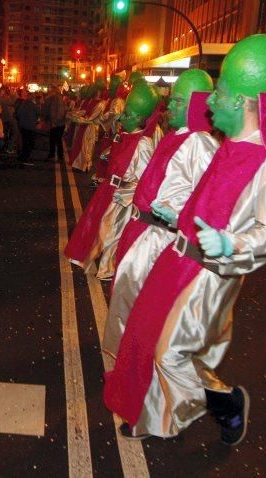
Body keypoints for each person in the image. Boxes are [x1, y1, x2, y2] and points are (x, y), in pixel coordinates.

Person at [104, 34, 266, 445]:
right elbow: (207, 198)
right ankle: (149, 417)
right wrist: (182, 216)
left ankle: (225, 404)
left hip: (210, 276)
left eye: (220, 94)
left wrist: (232, 245)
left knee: (170, 354)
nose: (209, 103)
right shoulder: (228, 146)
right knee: (149, 337)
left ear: (244, 101)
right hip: (177, 258)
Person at [104, 69, 217, 375]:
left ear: (197, 105)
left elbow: (203, 207)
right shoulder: (178, 137)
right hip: (144, 233)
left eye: (179, 102)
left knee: (139, 310)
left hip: (158, 241)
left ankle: (135, 372)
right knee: (127, 301)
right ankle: (127, 366)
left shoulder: (201, 147)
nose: (170, 108)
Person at [63, 81, 159, 280]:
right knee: (97, 227)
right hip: (111, 191)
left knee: (112, 232)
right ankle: (98, 262)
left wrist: (123, 194)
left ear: (140, 117)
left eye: (128, 114)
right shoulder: (125, 135)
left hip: (123, 199)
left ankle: (108, 268)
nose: (122, 118)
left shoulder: (143, 143)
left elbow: (144, 180)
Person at [15, 88, 40, 164]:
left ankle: (22, 157)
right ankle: (26, 158)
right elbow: (38, 114)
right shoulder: (33, 105)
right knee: (29, 144)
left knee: (24, 143)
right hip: (30, 127)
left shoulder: (22, 104)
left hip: (23, 126)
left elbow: (18, 113)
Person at [44, 87, 68, 162]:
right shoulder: (54, 98)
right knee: (54, 139)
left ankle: (58, 156)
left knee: (56, 140)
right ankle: (54, 155)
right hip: (57, 123)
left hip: (57, 124)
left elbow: (59, 112)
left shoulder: (57, 99)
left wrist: (55, 122)